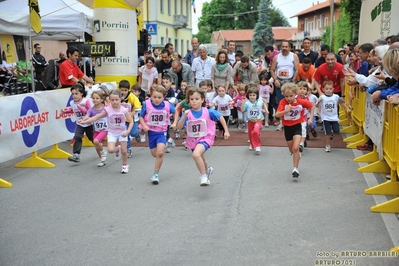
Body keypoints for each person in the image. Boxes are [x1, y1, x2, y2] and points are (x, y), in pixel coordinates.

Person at [176, 87, 230, 186]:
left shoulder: (208, 111)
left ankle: (204, 177)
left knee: (196, 155)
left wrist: (226, 130)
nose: (194, 101)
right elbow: (178, 127)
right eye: (191, 99)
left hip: (206, 138)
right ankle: (207, 170)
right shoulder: (188, 114)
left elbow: (221, 117)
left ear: (202, 100)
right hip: (193, 140)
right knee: (201, 158)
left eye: (196, 99)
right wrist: (184, 116)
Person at [81, 89, 133, 174]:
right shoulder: (107, 109)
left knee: (124, 151)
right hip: (112, 132)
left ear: (120, 99)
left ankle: (124, 165)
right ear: (109, 100)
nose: (114, 102)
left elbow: (131, 122)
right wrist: (85, 121)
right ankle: (117, 149)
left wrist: (127, 132)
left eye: (116, 100)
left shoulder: (124, 110)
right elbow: (97, 117)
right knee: (110, 150)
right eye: (112, 100)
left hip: (122, 132)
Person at [275, 82, 314, 178]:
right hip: (287, 128)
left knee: (296, 147)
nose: (289, 98)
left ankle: (295, 169)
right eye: (286, 96)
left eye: (291, 96)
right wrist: (286, 111)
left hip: (297, 126)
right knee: (292, 150)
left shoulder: (300, 101)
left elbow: (311, 106)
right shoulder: (283, 102)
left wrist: (311, 118)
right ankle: (296, 155)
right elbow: (277, 115)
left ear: (296, 94)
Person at [139, 84, 176, 184]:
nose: (156, 99)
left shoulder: (167, 105)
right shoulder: (146, 104)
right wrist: (144, 126)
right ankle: (168, 143)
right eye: (154, 97)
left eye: (159, 97)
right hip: (151, 132)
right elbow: (141, 117)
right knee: (154, 154)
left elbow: (176, 112)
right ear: (151, 95)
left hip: (162, 132)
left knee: (160, 153)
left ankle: (155, 174)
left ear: (164, 97)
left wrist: (175, 122)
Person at [270, 40, 299, 130]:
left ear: (290, 48)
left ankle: (292, 121)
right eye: (283, 47)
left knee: (291, 101)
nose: (284, 48)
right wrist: (275, 80)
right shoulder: (276, 57)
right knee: (281, 102)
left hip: (290, 80)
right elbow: (272, 70)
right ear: (280, 47)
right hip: (280, 81)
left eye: (286, 47)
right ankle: (282, 122)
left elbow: (297, 70)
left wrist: (293, 81)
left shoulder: (294, 56)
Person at [316, 81, 351, 152]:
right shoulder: (322, 97)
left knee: (337, 131)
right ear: (323, 89)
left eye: (330, 89)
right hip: (325, 118)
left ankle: (332, 134)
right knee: (327, 132)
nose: (328, 90)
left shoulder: (336, 97)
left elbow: (342, 103)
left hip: (334, 117)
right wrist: (318, 108)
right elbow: (318, 104)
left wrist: (347, 108)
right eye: (327, 89)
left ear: (333, 89)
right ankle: (327, 145)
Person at [61, 84, 93, 163]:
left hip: (89, 123)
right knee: (77, 137)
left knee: (93, 139)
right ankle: (76, 155)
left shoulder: (85, 101)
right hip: (80, 123)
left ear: (81, 93)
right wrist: (65, 111)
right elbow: (73, 110)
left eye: (76, 94)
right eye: (73, 94)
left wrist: (81, 108)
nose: (74, 96)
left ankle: (101, 147)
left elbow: (90, 112)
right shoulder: (72, 102)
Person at [82, 90, 108, 167]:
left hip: (104, 129)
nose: (95, 100)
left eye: (97, 98)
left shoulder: (105, 109)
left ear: (102, 100)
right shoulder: (91, 110)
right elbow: (87, 116)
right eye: (93, 98)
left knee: (96, 141)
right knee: (96, 145)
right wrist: (83, 120)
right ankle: (102, 160)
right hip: (96, 130)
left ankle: (103, 152)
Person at [241, 85, 267, 154]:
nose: (252, 97)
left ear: (257, 96)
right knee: (250, 133)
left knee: (255, 131)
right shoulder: (247, 103)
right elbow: (242, 110)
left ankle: (257, 146)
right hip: (250, 120)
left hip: (259, 119)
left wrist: (266, 110)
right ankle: (252, 143)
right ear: (248, 96)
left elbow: (264, 103)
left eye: (253, 95)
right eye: (250, 95)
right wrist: (243, 102)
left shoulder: (259, 101)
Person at [119, 80, 142, 158]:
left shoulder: (132, 97)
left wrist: (131, 113)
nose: (123, 92)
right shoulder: (118, 96)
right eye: (122, 90)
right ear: (119, 89)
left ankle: (137, 134)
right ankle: (128, 149)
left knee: (133, 133)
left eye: (125, 90)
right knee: (126, 134)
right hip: (123, 119)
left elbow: (138, 107)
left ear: (128, 90)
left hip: (132, 119)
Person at [296, 81, 315, 152]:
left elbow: (311, 108)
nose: (302, 90)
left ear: (307, 90)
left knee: (303, 130)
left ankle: (301, 144)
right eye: (300, 88)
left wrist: (311, 118)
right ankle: (300, 142)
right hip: (295, 118)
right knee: (296, 132)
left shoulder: (307, 99)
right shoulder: (295, 97)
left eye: (304, 89)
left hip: (303, 118)